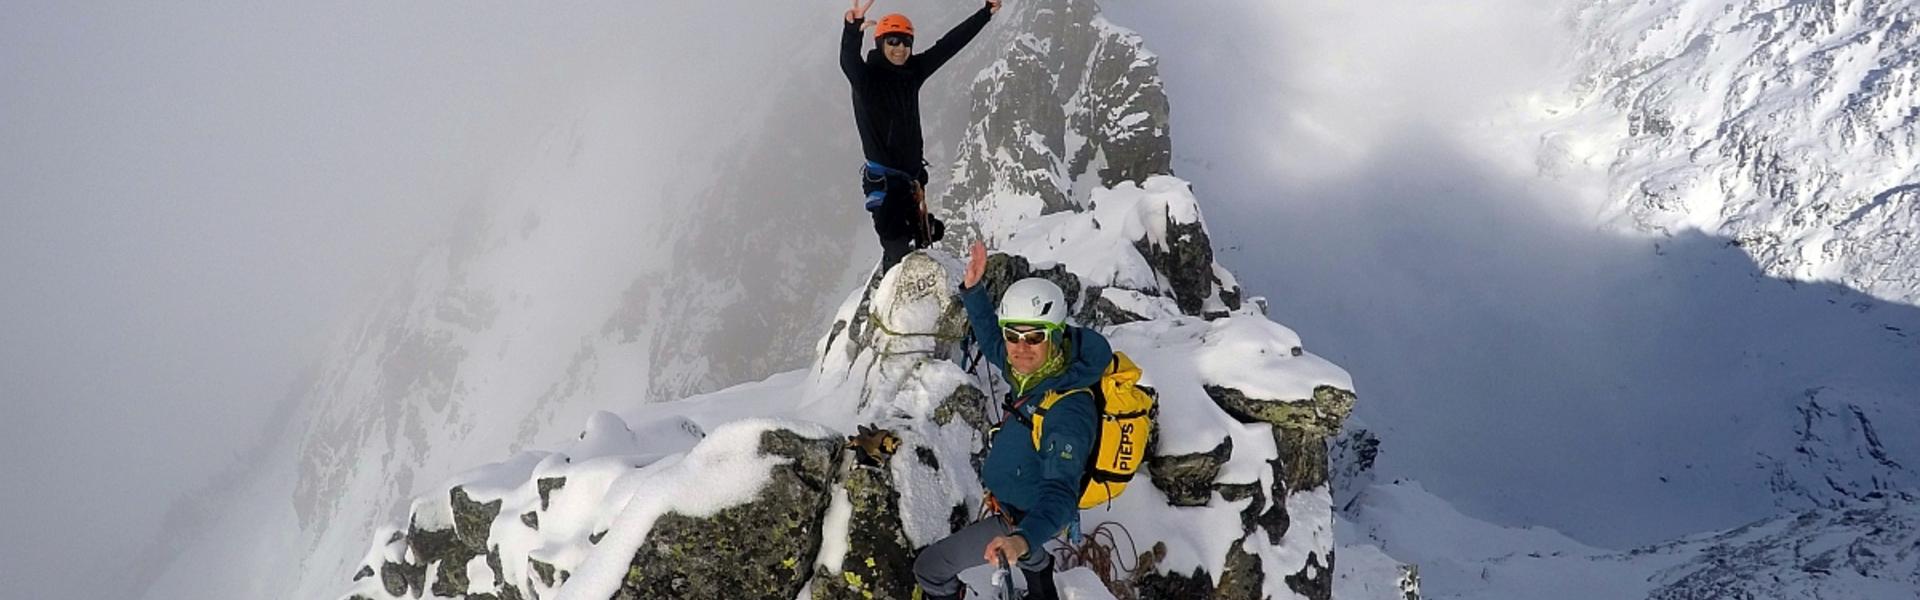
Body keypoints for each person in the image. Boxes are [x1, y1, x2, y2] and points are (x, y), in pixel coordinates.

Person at [911, 240, 1112, 600]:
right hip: (1017, 509)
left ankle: (1023, 558)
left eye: (1034, 336)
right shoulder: (1039, 370)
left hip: (1022, 516)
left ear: (1056, 335)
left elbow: (1060, 495)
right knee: (1030, 553)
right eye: (1013, 334)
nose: (1020, 347)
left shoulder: (1068, 409)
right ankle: (1038, 576)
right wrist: (973, 292)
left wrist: (1019, 539)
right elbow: (992, 345)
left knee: (930, 568)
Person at [841, 0, 1001, 273]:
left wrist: (985, 13)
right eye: (893, 41)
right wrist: (852, 29)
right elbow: (848, 61)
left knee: (923, 241)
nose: (900, 48)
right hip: (885, 183)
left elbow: (948, 46)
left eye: (906, 42)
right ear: (880, 42)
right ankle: (894, 301)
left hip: (912, 181)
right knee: (897, 247)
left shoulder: (911, 73)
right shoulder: (867, 79)